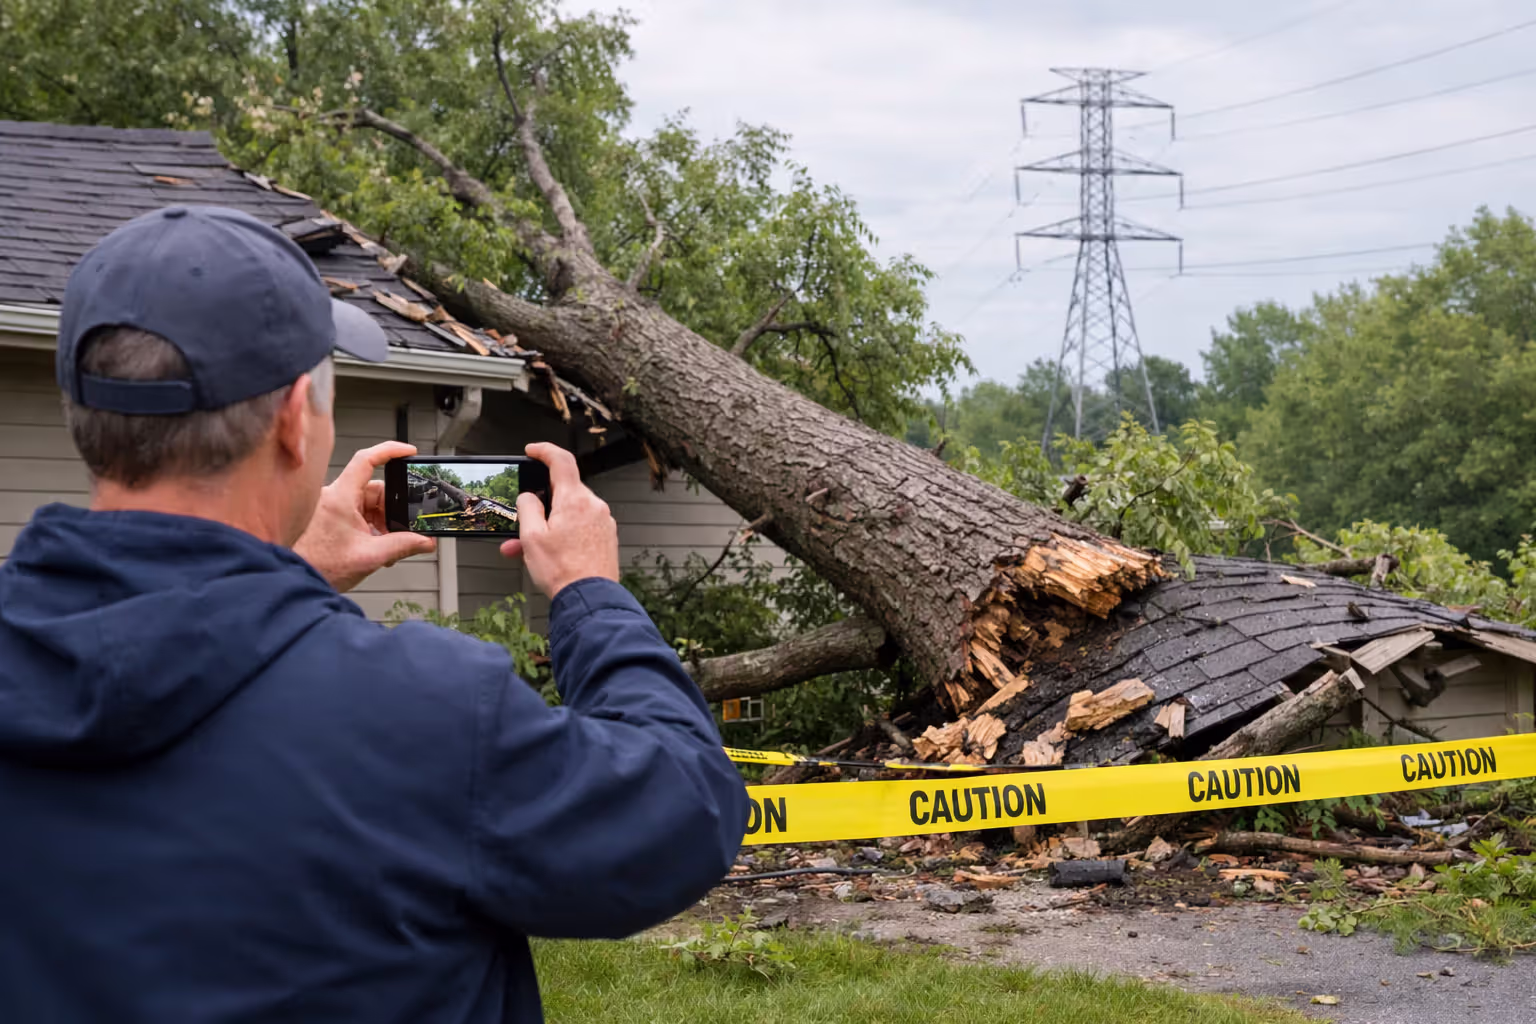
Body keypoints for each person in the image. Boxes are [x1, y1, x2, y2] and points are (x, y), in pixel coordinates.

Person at [0, 206, 749, 1022]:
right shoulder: (425, 714)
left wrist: (279, 577)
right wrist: (590, 597)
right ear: (294, 419)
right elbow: (683, 810)